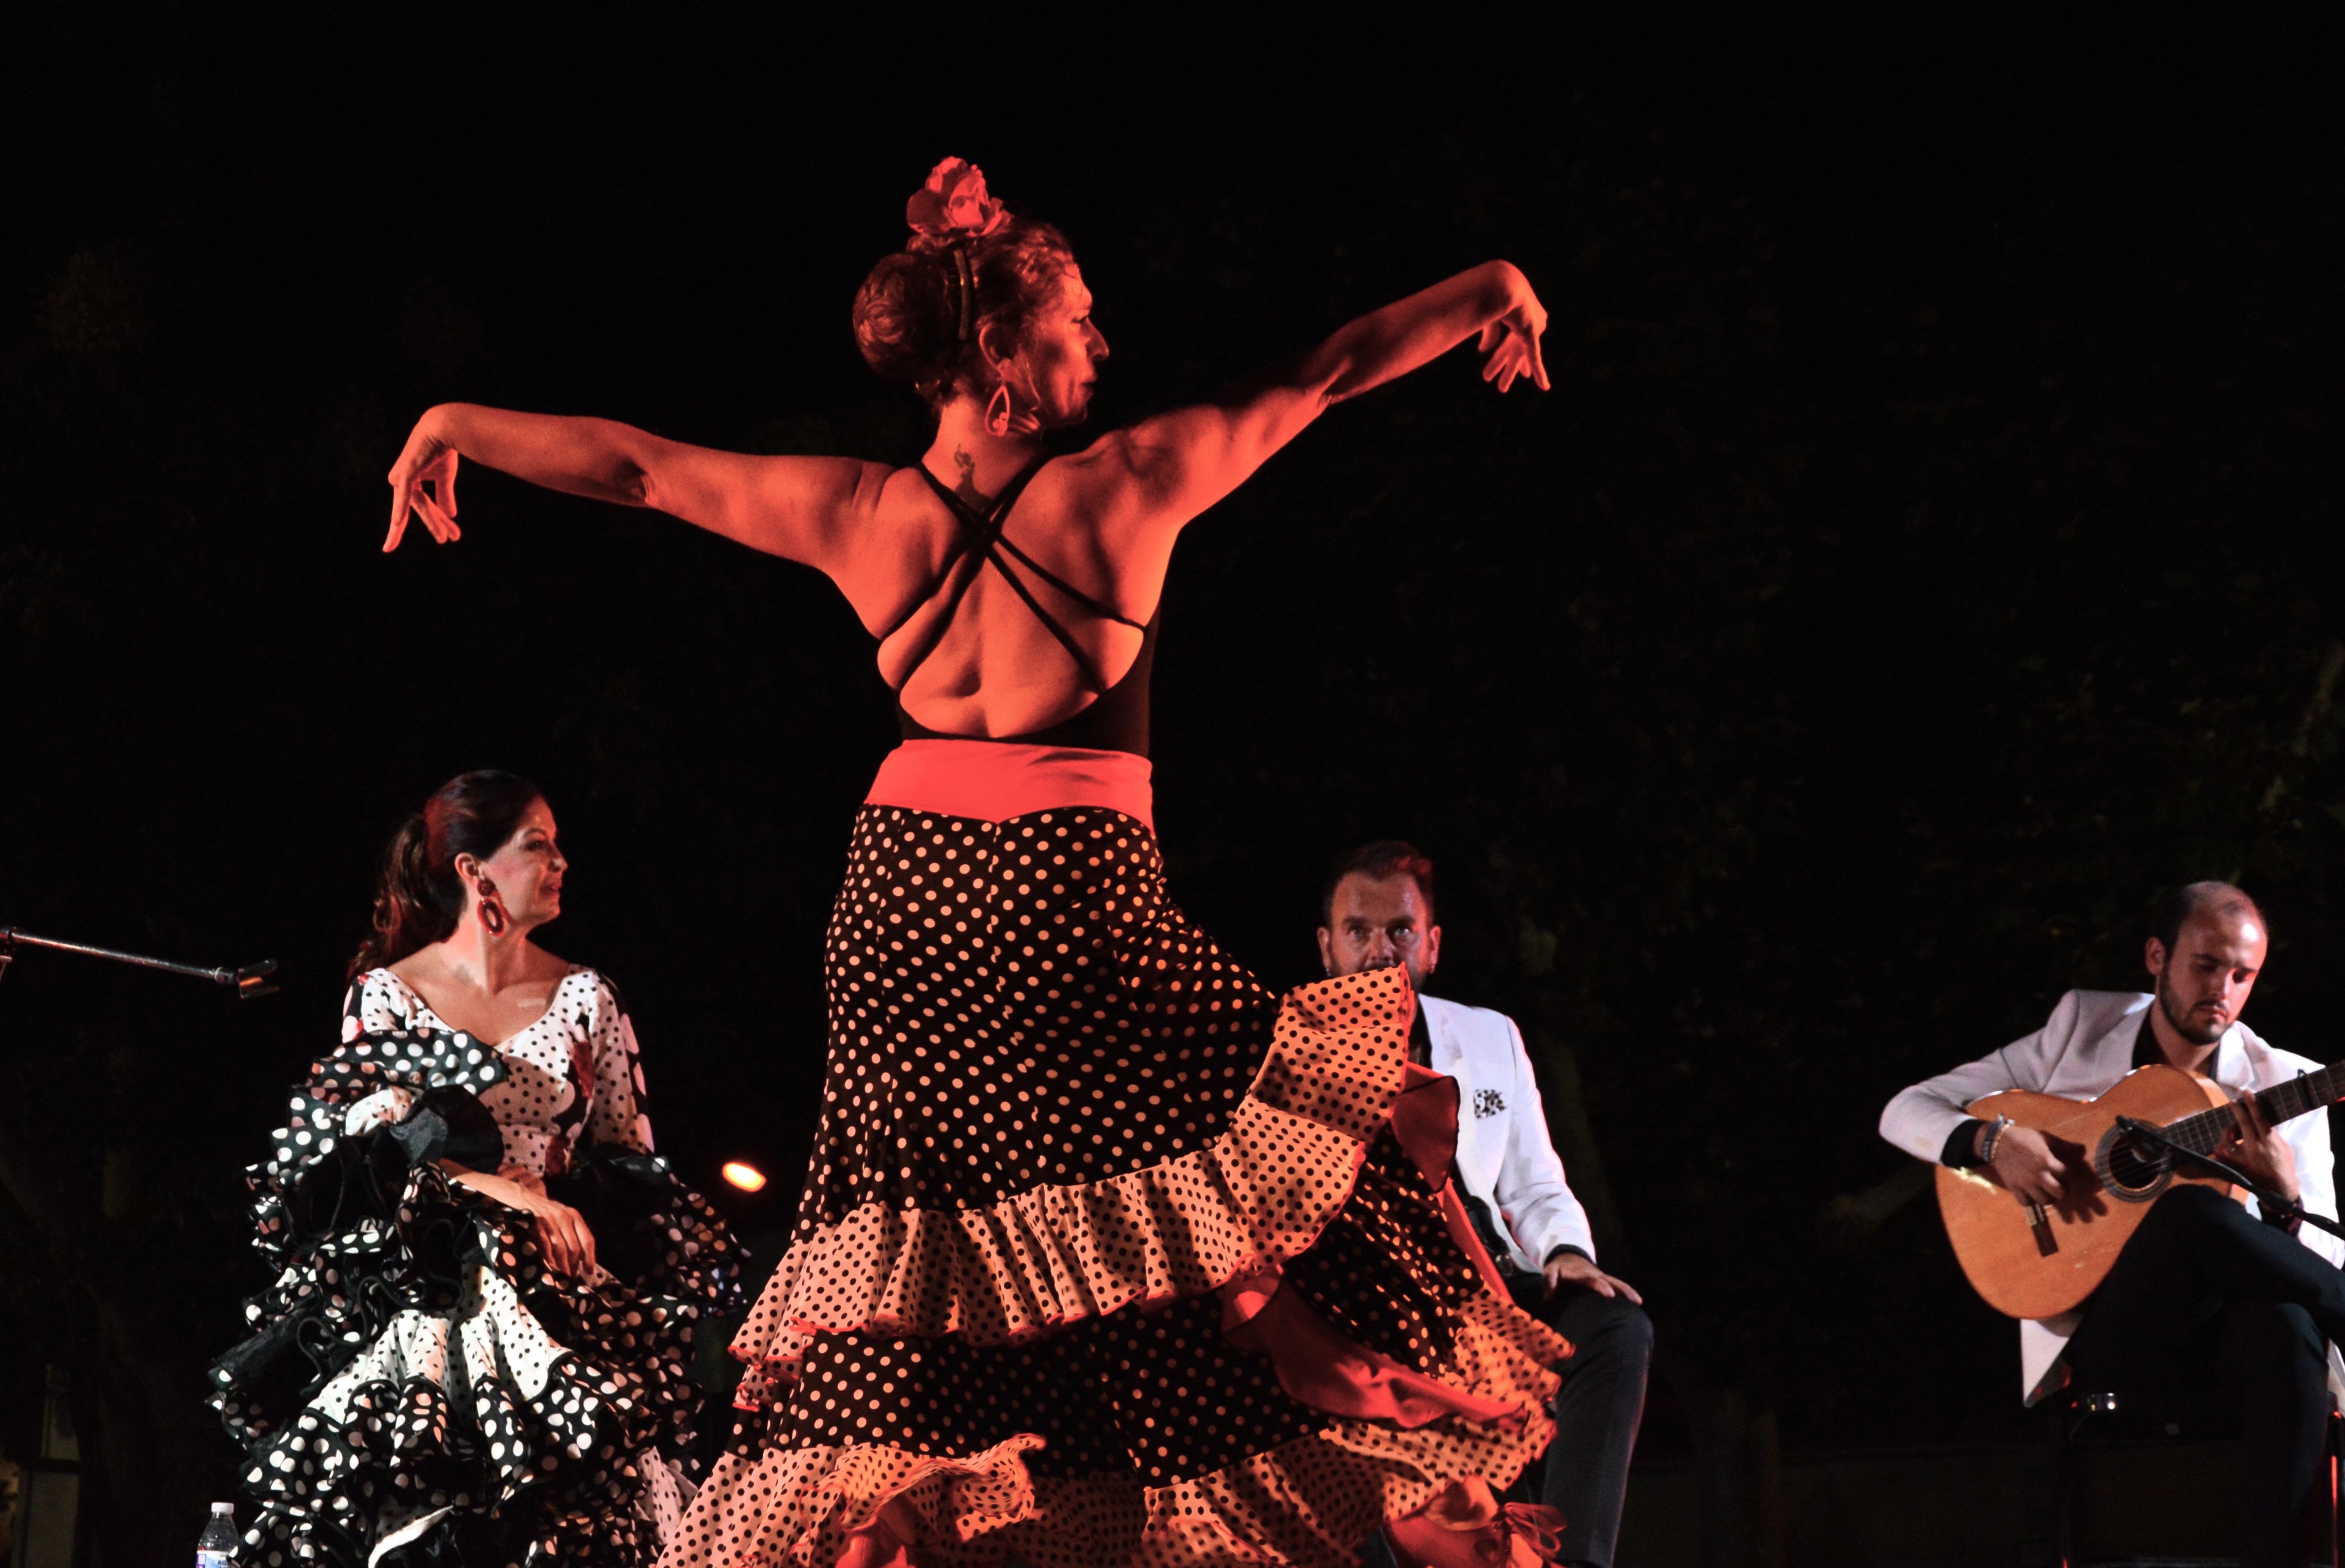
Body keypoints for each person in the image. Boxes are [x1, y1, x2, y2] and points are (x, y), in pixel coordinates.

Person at [381, 159, 1569, 1568]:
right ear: (1002, 356)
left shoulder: (862, 511)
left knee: (936, 1279)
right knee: (1214, 1189)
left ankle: (1027, 1462)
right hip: (1070, 895)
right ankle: (1300, 1350)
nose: (1103, 346)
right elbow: (1325, 376)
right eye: (1078, 324)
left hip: (906, 911)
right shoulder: (1127, 485)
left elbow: (641, 468)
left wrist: (453, 418)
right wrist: (1493, 287)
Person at [209, 770, 745, 1567]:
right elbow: (375, 1143)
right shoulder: (387, 993)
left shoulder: (587, 995)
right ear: (474, 870)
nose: (561, 861)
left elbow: (627, 1157)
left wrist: (592, 1225)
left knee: (582, 1518)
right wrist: (494, 1189)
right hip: (432, 1293)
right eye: (539, 844)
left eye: (559, 844)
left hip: (564, 1298)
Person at [1880, 882, 2345, 1568]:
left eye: (2242, 975)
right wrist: (1990, 1142)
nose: (2223, 989)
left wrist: (2282, 1194)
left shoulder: (2286, 1083)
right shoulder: (2078, 1029)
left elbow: (2315, 1256)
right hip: (2110, 1325)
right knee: (2184, 1208)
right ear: (2156, 956)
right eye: (2205, 964)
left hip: (2225, 1332)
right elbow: (1905, 1108)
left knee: (2290, 1332)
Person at [1318, 841, 1649, 1568]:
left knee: (1614, 1327)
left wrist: (1565, 1252)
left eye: (1400, 930)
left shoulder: (1491, 1037)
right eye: (1358, 930)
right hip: (1373, 1303)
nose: (1380, 949)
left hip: (1493, 1285)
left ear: (1431, 945)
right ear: (1326, 947)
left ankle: (1571, 1557)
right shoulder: (1282, 1052)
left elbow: (1532, 1184)